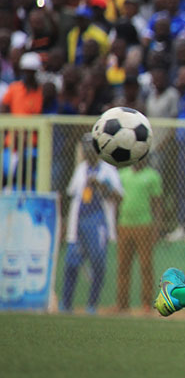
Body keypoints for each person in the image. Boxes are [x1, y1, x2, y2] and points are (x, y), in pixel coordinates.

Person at [62, 134, 123, 313]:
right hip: (78, 221)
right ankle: (66, 305)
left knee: (98, 264)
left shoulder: (108, 170)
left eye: (91, 149)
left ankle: (92, 304)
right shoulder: (81, 169)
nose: (88, 152)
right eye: (86, 148)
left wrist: (102, 184)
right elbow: (72, 194)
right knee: (71, 263)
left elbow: (119, 196)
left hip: (98, 221)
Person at [116, 156, 163, 312]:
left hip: (144, 225)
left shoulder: (152, 176)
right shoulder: (122, 174)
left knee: (145, 265)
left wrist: (157, 228)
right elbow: (117, 200)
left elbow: (157, 203)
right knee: (123, 265)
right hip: (124, 224)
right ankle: (122, 304)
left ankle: (146, 303)